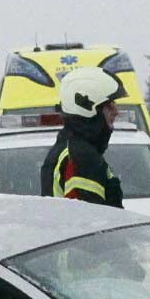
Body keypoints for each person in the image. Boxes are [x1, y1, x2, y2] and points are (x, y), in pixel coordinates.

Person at [40, 66, 125, 206]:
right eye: (109, 106)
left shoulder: (72, 150)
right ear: (87, 108)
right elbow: (94, 219)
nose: (116, 112)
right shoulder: (81, 157)